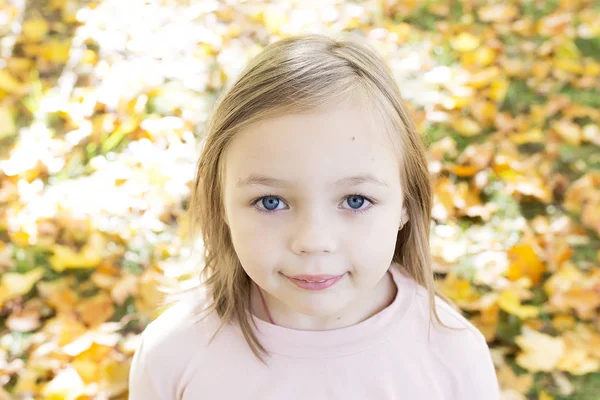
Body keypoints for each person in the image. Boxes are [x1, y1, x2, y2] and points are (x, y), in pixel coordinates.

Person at [128, 32, 500, 399]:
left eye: (355, 200)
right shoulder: (174, 355)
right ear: (221, 203)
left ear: (407, 201)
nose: (313, 241)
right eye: (271, 201)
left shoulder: (452, 359)